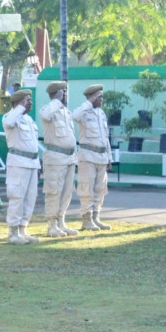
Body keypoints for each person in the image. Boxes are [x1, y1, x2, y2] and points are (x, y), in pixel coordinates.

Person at [39, 81, 79, 237]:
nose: (65, 94)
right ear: (54, 93)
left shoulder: (66, 112)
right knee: (53, 191)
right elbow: (46, 115)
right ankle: (52, 224)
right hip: (55, 158)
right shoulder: (48, 109)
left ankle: (61, 221)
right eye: (62, 91)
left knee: (66, 192)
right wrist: (56, 99)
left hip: (69, 157)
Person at [2, 89, 41, 244]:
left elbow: (33, 145)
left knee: (30, 198)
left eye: (29, 101)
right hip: (18, 163)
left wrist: (38, 165)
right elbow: (9, 122)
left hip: (32, 163)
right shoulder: (10, 117)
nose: (29, 104)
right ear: (17, 103)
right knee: (17, 196)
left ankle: (23, 229)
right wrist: (20, 107)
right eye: (26, 101)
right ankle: (13, 232)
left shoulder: (29, 121)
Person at [72, 84, 113, 231]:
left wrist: (109, 157)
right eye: (99, 97)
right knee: (87, 188)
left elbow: (105, 137)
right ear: (92, 97)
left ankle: (96, 217)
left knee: (100, 189)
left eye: (101, 96)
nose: (101, 99)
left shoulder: (101, 114)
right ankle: (87, 219)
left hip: (101, 156)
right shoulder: (83, 112)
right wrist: (88, 103)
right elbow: (74, 116)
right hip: (88, 156)